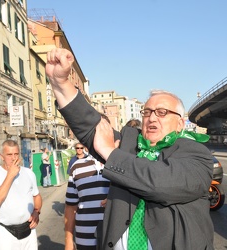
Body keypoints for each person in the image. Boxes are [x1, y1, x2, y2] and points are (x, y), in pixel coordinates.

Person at [46, 48, 214, 249]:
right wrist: (61, 83)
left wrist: (110, 153)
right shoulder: (129, 141)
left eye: (162, 112)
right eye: (147, 112)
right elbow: (92, 126)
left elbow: (160, 182)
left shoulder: (197, 154)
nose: (152, 117)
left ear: (180, 123)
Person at [0, 140, 42, 250]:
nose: (13, 158)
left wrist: (37, 211)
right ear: (2, 156)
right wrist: (10, 175)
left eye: (16, 154)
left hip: (28, 230)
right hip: (5, 232)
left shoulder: (28, 173)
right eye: (9, 154)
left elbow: (37, 196)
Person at [65, 151, 110, 250]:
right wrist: (68, 240)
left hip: (116, 239)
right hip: (84, 240)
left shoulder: (123, 164)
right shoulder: (76, 167)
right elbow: (71, 206)